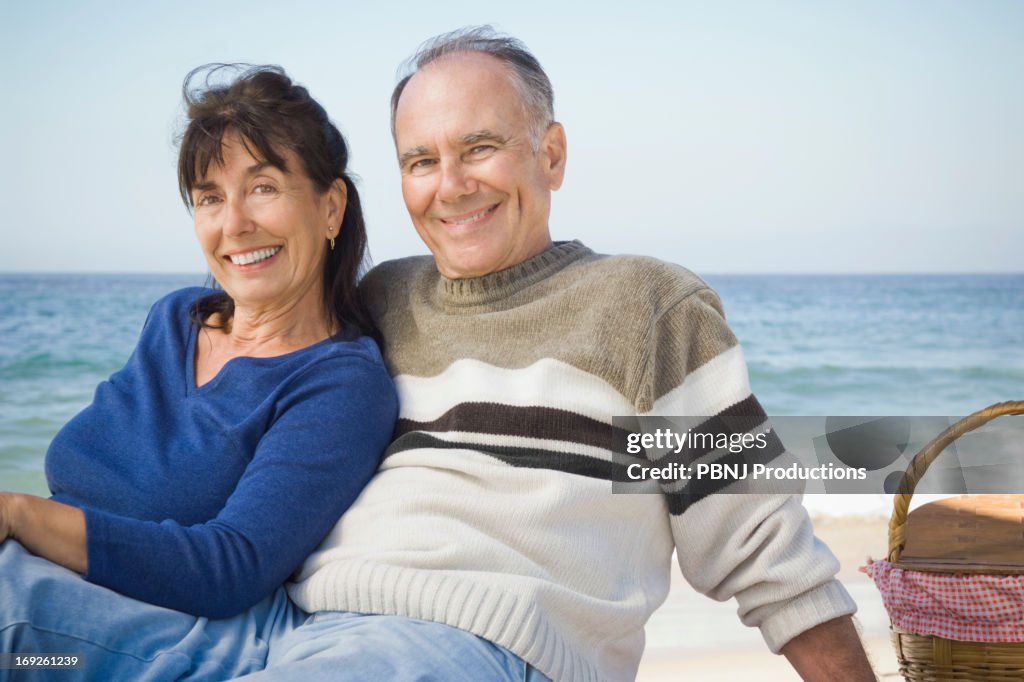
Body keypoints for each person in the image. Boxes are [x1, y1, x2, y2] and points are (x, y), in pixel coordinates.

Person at [258, 27, 879, 682]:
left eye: (480, 148)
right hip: (295, 624)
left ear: (550, 155)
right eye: (421, 161)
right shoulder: (379, 300)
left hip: (483, 639)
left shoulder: (644, 309)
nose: (451, 185)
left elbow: (760, 543)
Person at [0, 65, 397, 680]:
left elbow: (229, 567)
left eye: (263, 186)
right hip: (47, 587)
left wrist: (21, 515)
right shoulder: (175, 320)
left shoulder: (340, 383)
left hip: (171, 632)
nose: (233, 224)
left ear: (331, 207)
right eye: (210, 197)